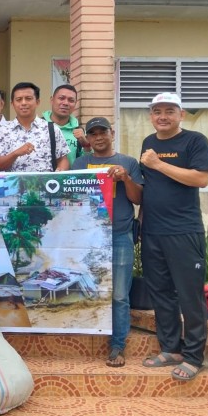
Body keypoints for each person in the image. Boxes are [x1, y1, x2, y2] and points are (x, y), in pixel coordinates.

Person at [138, 92, 208, 382]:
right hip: (153, 231)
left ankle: (194, 357)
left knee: (190, 294)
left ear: (181, 114)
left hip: (183, 231)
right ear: (151, 115)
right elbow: (149, 187)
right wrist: (142, 224)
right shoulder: (149, 142)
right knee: (161, 293)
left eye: (169, 111)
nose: (163, 116)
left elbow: (201, 178)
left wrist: (158, 164)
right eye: (157, 111)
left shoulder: (195, 141)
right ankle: (171, 348)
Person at [72, 117, 143, 367]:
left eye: (103, 132)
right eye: (93, 134)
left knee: (120, 294)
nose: (99, 137)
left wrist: (126, 179)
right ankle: (86, 338)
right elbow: (71, 198)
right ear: (88, 139)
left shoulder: (128, 163)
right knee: (87, 289)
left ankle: (117, 346)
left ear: (112, 133)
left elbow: (137, 199)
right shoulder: (80, 163)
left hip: (120, 235)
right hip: (88, 238)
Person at [0, 82, 70, 172]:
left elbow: (63, 159)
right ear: (12, 104)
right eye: (19, 99)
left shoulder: (51, 128)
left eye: (28, 99)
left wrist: (60, 171)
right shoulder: (4, 130)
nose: (23, 103)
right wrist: (16, 153)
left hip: (45, 185)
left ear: (37, 102)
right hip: (15, 185)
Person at [42, 84, 90, 167]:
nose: (65, 103)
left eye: (71, 100)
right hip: (40, 179)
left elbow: (87, 163)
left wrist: (86, 145)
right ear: (52, 100)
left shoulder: (79, 131)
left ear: (75, 104)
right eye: (61, 98)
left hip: (70, 179)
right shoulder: (38, 127)